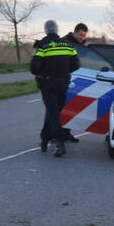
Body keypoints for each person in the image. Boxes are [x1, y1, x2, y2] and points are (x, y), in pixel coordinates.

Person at [30, 20, 80, 157]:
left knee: (53, 113)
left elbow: (34, 68)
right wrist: (63, 71)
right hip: (63, 84)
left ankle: (59, 143)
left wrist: (45, 71)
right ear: (57, 30)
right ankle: (44, 139)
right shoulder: (68, 44)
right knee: (53, 111)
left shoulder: (42, 45)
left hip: (47, 84)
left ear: (46, 30)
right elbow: (76, 65)